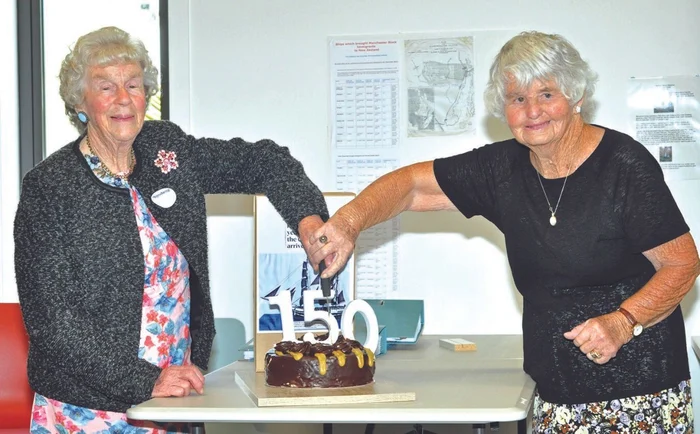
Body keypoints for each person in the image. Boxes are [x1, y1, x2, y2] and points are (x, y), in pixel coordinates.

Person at [309, 31, 700, 433]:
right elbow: (410, 186)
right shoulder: (502, 169)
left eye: (546, 94)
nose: (533, 111)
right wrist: (348, 222)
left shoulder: (624, 165)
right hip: (554, 394)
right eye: (517, 99)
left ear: (576, 97)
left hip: (640, 395)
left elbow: (683, 264)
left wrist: (622, 322)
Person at [14, 26, 328, 433]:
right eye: (106, 87)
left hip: (175, 396)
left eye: (133, 84)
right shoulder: (49, 188)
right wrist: (146, 380)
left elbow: (265, 161)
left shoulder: (168, 152)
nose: (123, 98)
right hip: (90, 408)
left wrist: (308, 219)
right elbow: (54, 324)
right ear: (80, 102)